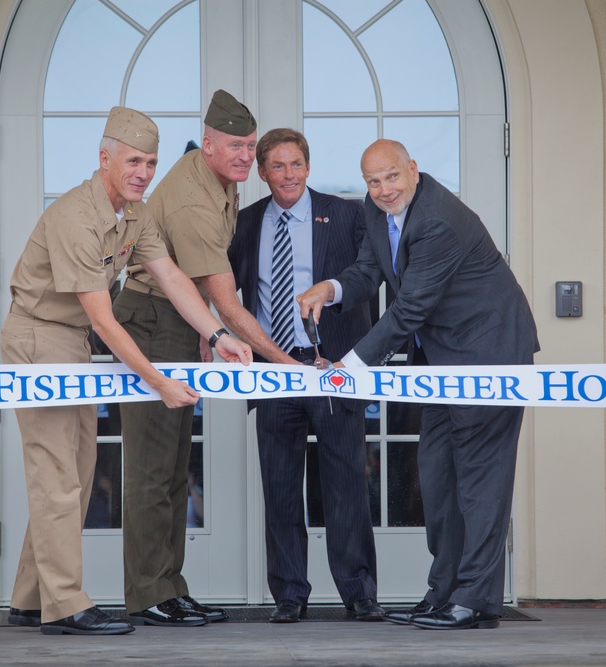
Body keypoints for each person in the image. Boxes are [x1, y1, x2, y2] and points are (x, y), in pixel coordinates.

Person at [1, 106, 252, 636]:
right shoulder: (76, 216)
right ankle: (65, 605)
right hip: (37, 335)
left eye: (151, 162)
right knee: (58, 477)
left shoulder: (134, 214)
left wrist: (218, 336)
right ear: (105, 159)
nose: (143, 171)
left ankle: (29, 598)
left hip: (69, 341)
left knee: (76, 470)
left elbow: (174, 277)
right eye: (133, 160)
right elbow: (105, 320)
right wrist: (158, 381)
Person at [298, 139, 539, 630]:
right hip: (440, 361)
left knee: (478, 481)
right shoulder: (375, 206)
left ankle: (475, 601)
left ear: (412, 169)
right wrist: (332, 287)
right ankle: (443, 591)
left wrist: (349, 367)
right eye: (373, 181)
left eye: (391, 177)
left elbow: (408, 310)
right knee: (437, 477)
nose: (383, 190)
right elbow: (370, 270)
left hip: (489, 353)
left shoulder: (437, 221)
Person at [114, 90, 298, 628]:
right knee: (151, 470)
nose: (246, 156)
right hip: (151, 322)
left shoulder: (219, 177)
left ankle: (169, 587)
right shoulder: (194, 200)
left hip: (176, 318)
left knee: (173, 469)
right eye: (235, 146)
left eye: (250, 145)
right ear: (210, 143)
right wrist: (285, 364)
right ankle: (147, 594)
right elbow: (229, 305)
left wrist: (201, 330)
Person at [228, 128, 385, 623]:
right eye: (277, 166)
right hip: (274, 370)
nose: (289, 174)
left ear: (309, 167)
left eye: (296, 164)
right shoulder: (244, 222)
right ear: (262, 172)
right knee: (279, 486)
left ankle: (359, 593)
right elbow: (229, 293)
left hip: (332, 365)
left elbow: (368, 278)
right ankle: (289, 595)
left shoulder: (346, 214)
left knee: (345, 484)